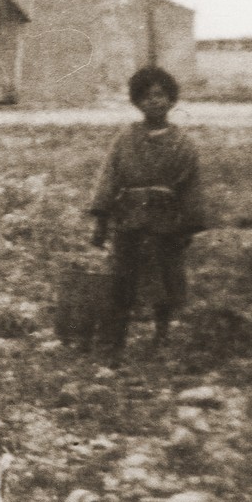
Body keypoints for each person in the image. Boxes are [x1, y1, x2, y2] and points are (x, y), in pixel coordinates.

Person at [89, 66, 208, 352]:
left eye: (160, 95)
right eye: (145, 97)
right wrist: (101, 220)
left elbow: (191, 187)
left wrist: (189, 225)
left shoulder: (184, 144)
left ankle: (161, 335)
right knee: (122, 278)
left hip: (165, 221)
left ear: (171, 100)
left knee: (165, 279)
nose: (153, 101)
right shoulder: (124, 140)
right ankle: (115, 339)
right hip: (128, 218)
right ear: (136, 102)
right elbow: (110, 177)